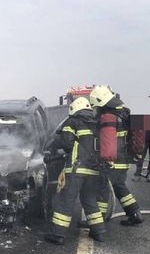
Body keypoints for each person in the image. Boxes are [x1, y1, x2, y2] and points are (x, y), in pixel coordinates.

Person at [44, 97, 106, 245]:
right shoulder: (97, 123)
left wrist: (54, 148)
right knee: (90, 200)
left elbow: (66, 143)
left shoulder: (72, 122)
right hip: (94, 170)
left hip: (76, 168)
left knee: (65, 200)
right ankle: (99, 232)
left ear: (74, 108)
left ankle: (58, 234)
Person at [89, 85, 145, 226]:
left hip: (113, 160)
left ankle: (99, 220)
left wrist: (107, 160)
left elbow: (108, 140)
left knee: (102, 187)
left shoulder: (108, 116)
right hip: (123, 158)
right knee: (119, 186)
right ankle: (135, 214)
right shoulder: (125, 112)